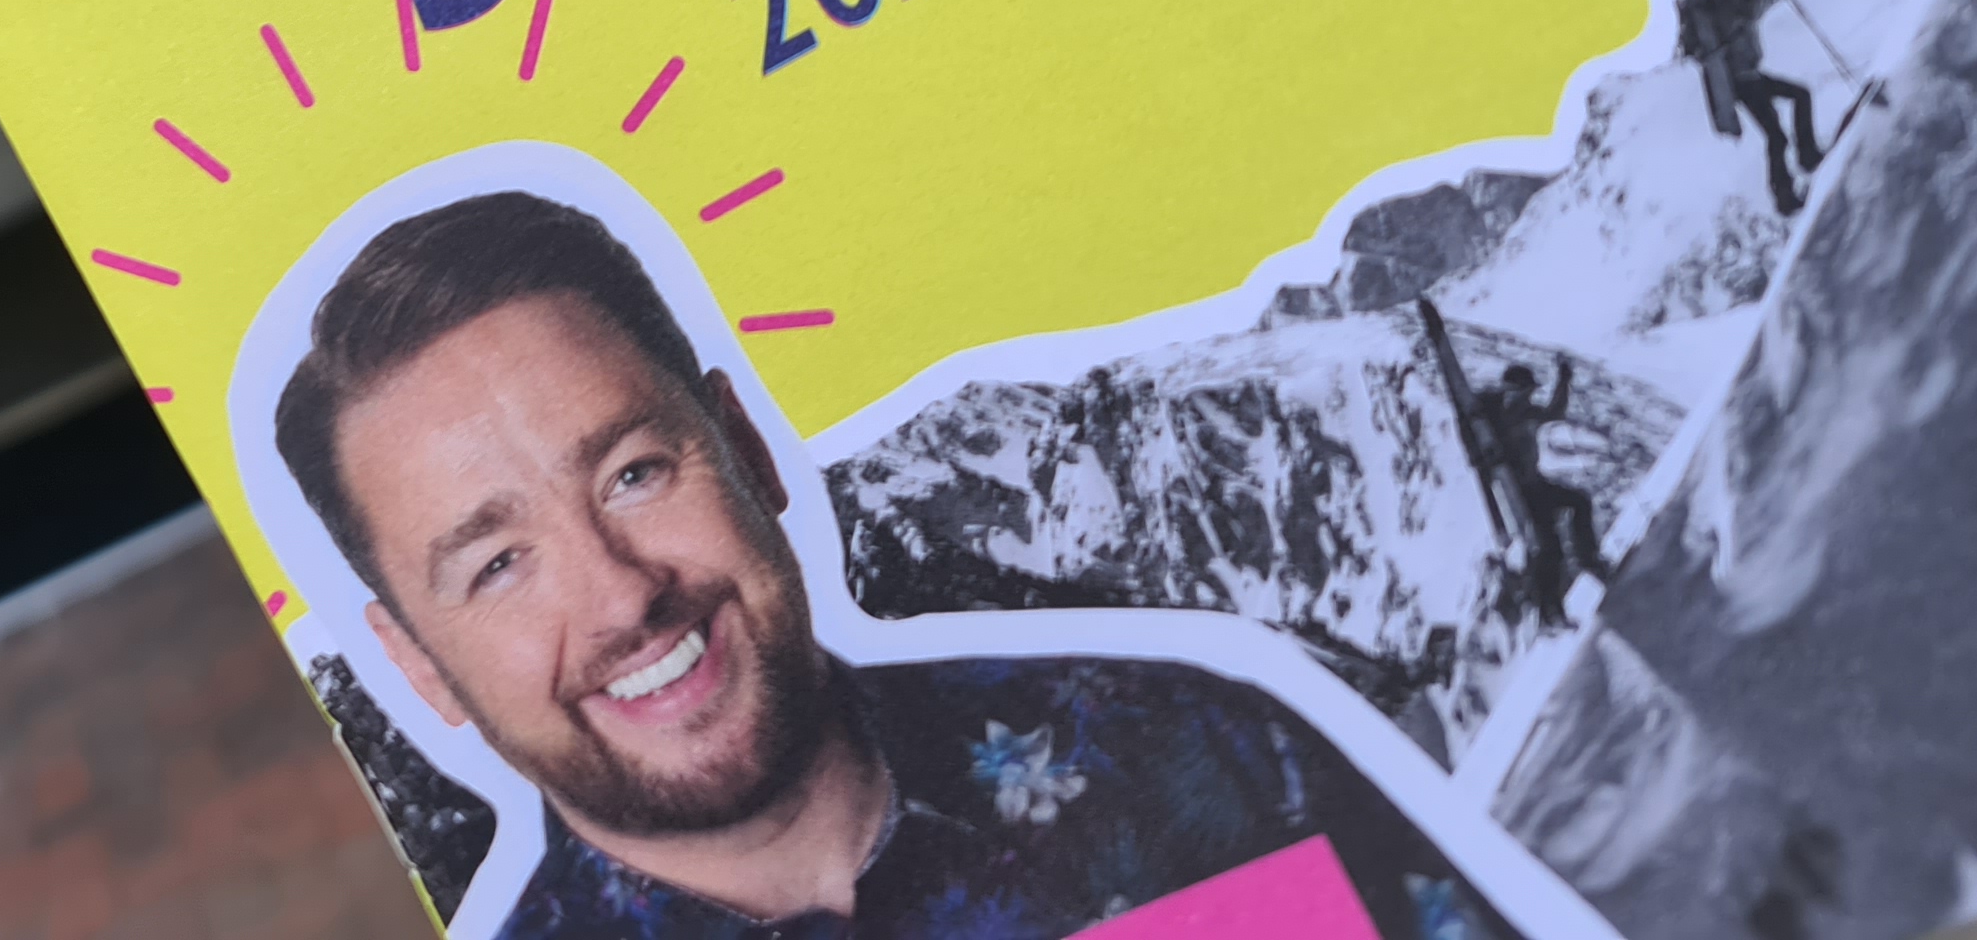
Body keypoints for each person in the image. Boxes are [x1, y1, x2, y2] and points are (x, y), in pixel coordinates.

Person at [273, 191, 1517, 940]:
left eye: (634, 474)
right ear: (415, 664)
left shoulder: (1180, 754)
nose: (620, 593)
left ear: (745, 449)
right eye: (498, 564)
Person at [1677, 0, 1826, 215]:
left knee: (1788, 115)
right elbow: (1748, 8)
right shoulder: (1733, 9)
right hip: (1744, 82)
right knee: (1780, 128)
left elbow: (1751, 4)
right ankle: (1794, 178)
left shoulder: (1734, 5)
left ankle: (1795, 174)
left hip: (1749, 78)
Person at [1470, 361, 1605, 616]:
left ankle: (1586, 564)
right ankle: (1551, 607)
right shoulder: (1499, 420)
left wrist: (1563, 382)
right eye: (1527, 390)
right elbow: (1552, 413)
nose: (1531, 395)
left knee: (1576, 506)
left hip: (1533, 484)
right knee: (1549, 545)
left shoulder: (1522, 413)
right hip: (1521, 492)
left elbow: (1554, 413)